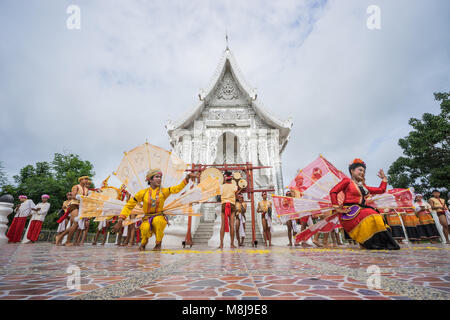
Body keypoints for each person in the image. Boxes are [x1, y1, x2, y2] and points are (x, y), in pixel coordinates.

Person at [113, 169, 197, 251]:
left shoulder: (164, 191)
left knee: (157, 221)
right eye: (157, 177)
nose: (159, 179)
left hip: (159, 216)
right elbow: (129, 206)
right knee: (145, 228)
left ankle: (158, 243)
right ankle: (144, 242)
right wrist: (120, 220)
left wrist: (187, 177)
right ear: (150, 179)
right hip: (147, 217)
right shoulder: (142, 193)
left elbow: (177, 189)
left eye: (160, 177)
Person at [329, 159, 400, 250]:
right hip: (350, 211)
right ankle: (369, 243)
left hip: (362, 209)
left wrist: (384, 179)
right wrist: (338, 208)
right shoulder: (347, 181)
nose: (362, 173)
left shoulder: (363, 187)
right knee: (372, 215)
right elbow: (333, 191)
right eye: (360, 170)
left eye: (364, 171)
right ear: (352, 171)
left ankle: (375, 243)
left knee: (377, 217)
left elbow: (381, 190)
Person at [55, 176, 91, 246]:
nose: (87, 180)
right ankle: (67, 241)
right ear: (81, 180)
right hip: (74, 205)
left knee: (77, 225)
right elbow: (73, 196)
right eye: (85, 179)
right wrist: (79, 197)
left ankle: (60, 236)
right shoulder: (76, 186)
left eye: (87, 179)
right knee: (76, 224)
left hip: (81, 207)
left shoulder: (86, 189)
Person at [220, 171, 241, 249]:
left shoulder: (221, 186)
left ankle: (221, 244)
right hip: (232, 205)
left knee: (222, 225)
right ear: (231, 178)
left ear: (225, 178)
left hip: (224, 205)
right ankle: (231, 244)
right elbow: (237, 196)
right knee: (231, 225)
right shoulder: (234, 186)